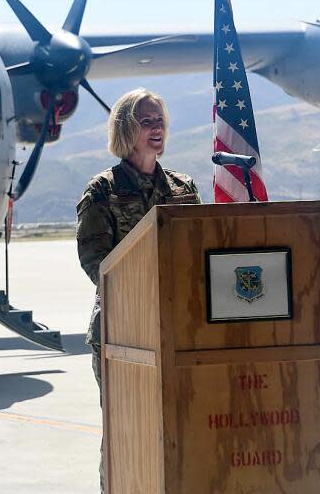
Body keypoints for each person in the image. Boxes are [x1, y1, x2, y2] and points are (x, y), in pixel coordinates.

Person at [75, 88, 201, 492]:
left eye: (160, 121)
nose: (156, 129)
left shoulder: (183, 188)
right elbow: (96, 262)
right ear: (126, 129)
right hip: (121, 331)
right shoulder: (103, 190)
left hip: (178, 330)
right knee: (125, 432)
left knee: (180, 428)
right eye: (147, 122)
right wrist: (141, 293)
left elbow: (199, 252)